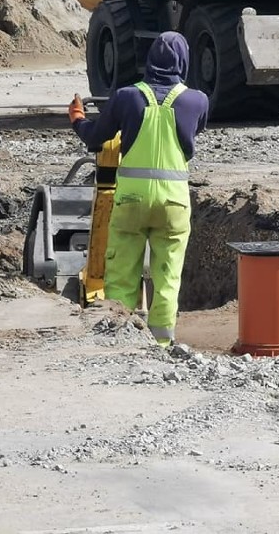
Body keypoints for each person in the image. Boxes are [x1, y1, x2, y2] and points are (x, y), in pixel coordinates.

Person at [68, 31, 209, 346]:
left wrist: (78, 119)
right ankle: (161, 342)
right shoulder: (197, 100)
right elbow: (193, 130)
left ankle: (121, 341)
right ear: (183, 61)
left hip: (131, 199)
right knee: (168, 275)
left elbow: (96, 138)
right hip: (174, 202)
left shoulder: (126, 96)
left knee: (121, 273)